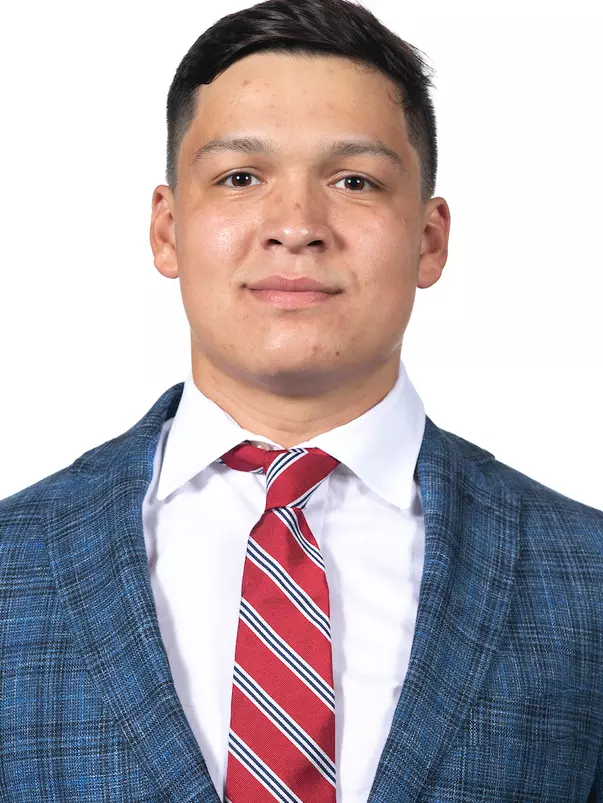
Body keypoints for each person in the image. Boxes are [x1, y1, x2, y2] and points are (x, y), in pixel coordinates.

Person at [1, 0, 601, 800]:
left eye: (354, 180)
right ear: (167, 229)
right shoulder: (14, 562)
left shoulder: (585, 576)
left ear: (428, 239)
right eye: (240, 177)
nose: (296, 226)